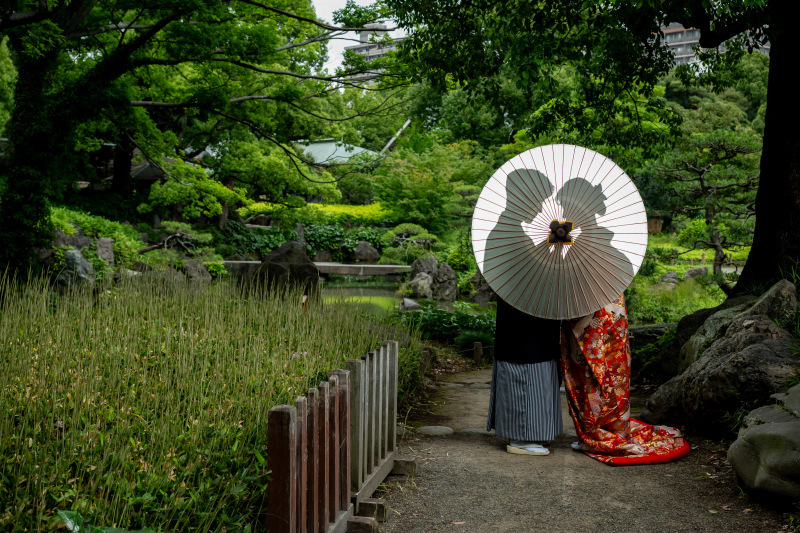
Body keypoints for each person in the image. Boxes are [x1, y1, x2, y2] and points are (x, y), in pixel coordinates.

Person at [560, 295, 690, 465]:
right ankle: (599, 432)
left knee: (599, 380)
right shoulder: (608, 276)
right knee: (596, 379)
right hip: (599, 309)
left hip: (598, 314)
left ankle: (598, 433)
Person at [487, 298, 563, 455]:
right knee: (525, 370)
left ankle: (537, 432)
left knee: (543, 367)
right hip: (521, 317)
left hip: (541, 312)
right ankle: (521, 438)